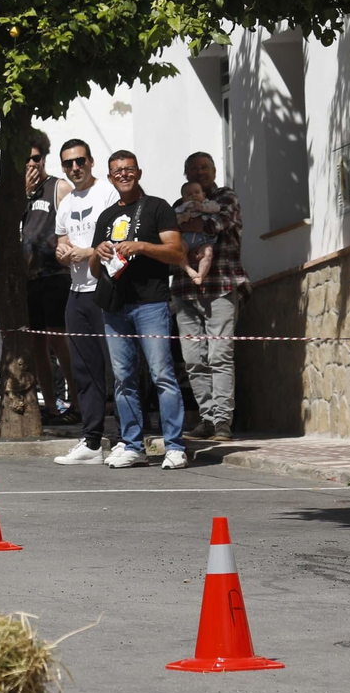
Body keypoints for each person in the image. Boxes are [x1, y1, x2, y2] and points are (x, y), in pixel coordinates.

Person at [89, 150, 188, 470]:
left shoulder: (158, 207)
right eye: (117, 171)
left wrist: (142, 246)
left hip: (151, 304)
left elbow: (176, 253)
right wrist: (98, 252)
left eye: (128, 169)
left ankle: (174, 446)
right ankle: (131, 445)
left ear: (139, 172)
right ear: (109, 177)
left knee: (162, 375)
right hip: (115, 307)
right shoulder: (105, 217)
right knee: (123, 379)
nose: (123, 175)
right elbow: (94, 271)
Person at [52, 139, 120, 465]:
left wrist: (89, 252)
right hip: (76, 292)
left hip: (106, 290)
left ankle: (126, 437)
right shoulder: (65, 203)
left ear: (91, 162)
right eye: (68, 164)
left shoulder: (107, 193)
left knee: (118, 367)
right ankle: (92, 441)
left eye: (80, 161)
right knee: (84, 370)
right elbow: (61, 244)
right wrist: (63, 253)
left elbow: (119, 240)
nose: (75, 168)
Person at [174, 152, 247, 442]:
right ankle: (206, 418)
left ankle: (222, 423)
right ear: (186, 174)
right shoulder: (178, 203)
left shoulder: (226, 197)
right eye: (194, 169)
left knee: (219, 356)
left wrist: (191, 225)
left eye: (204, 167)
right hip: (184, 289)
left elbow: (217, 224)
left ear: (214, 170)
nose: (200, 172)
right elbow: (168, 235)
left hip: (220, 285)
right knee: (193, 360)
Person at [22, 130, 78, 422]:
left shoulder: (58, 187)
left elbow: (73, 224)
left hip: (55, 275)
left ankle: (77, 401)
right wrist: (22, 193)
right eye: (27, 159)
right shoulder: (19, 194)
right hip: (28, 278)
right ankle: (51, 406)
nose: (32, 163)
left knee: (59, 340)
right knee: (37, 345)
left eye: (36, 157)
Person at [175, 182, 216, 287]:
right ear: (184, 199)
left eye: (197, 192)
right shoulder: (182, 207)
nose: (193, 195)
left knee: (207, 254)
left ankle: (201, 275)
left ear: (204, 195)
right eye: (189, 194)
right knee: (178, 250)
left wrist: (202, 208)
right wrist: (182, 218)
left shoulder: (207, 204)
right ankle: (189, 270)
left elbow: (217, 208)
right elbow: (175, 218)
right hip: (187, 238)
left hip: (205, 238)